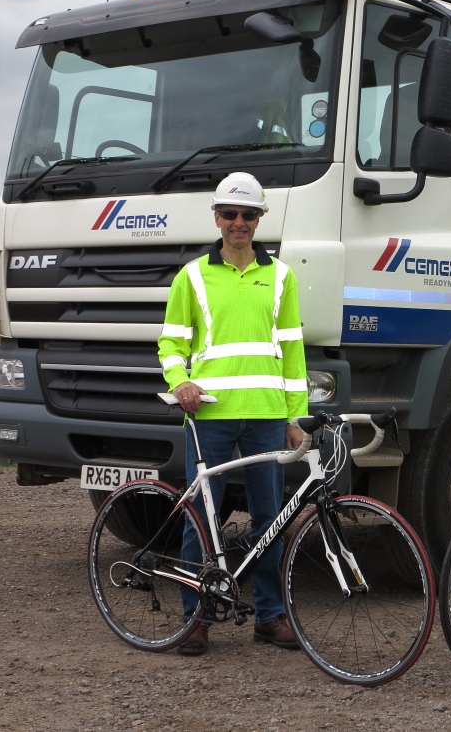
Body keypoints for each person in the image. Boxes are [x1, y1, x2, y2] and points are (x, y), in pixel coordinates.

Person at [157, 171, 308, 656]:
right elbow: (171, 341)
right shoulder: (193, 275)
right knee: (200, 520)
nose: (238, 222)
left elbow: (292, 351)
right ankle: (194, 620)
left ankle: (270, 617)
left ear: (259, 218)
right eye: (230, 214)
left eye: (248, 214)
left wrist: (295, 415)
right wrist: (179, 382)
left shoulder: (281, 275)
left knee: (270, 520)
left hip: (266, 415)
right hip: (210, 416)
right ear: (217, 218)